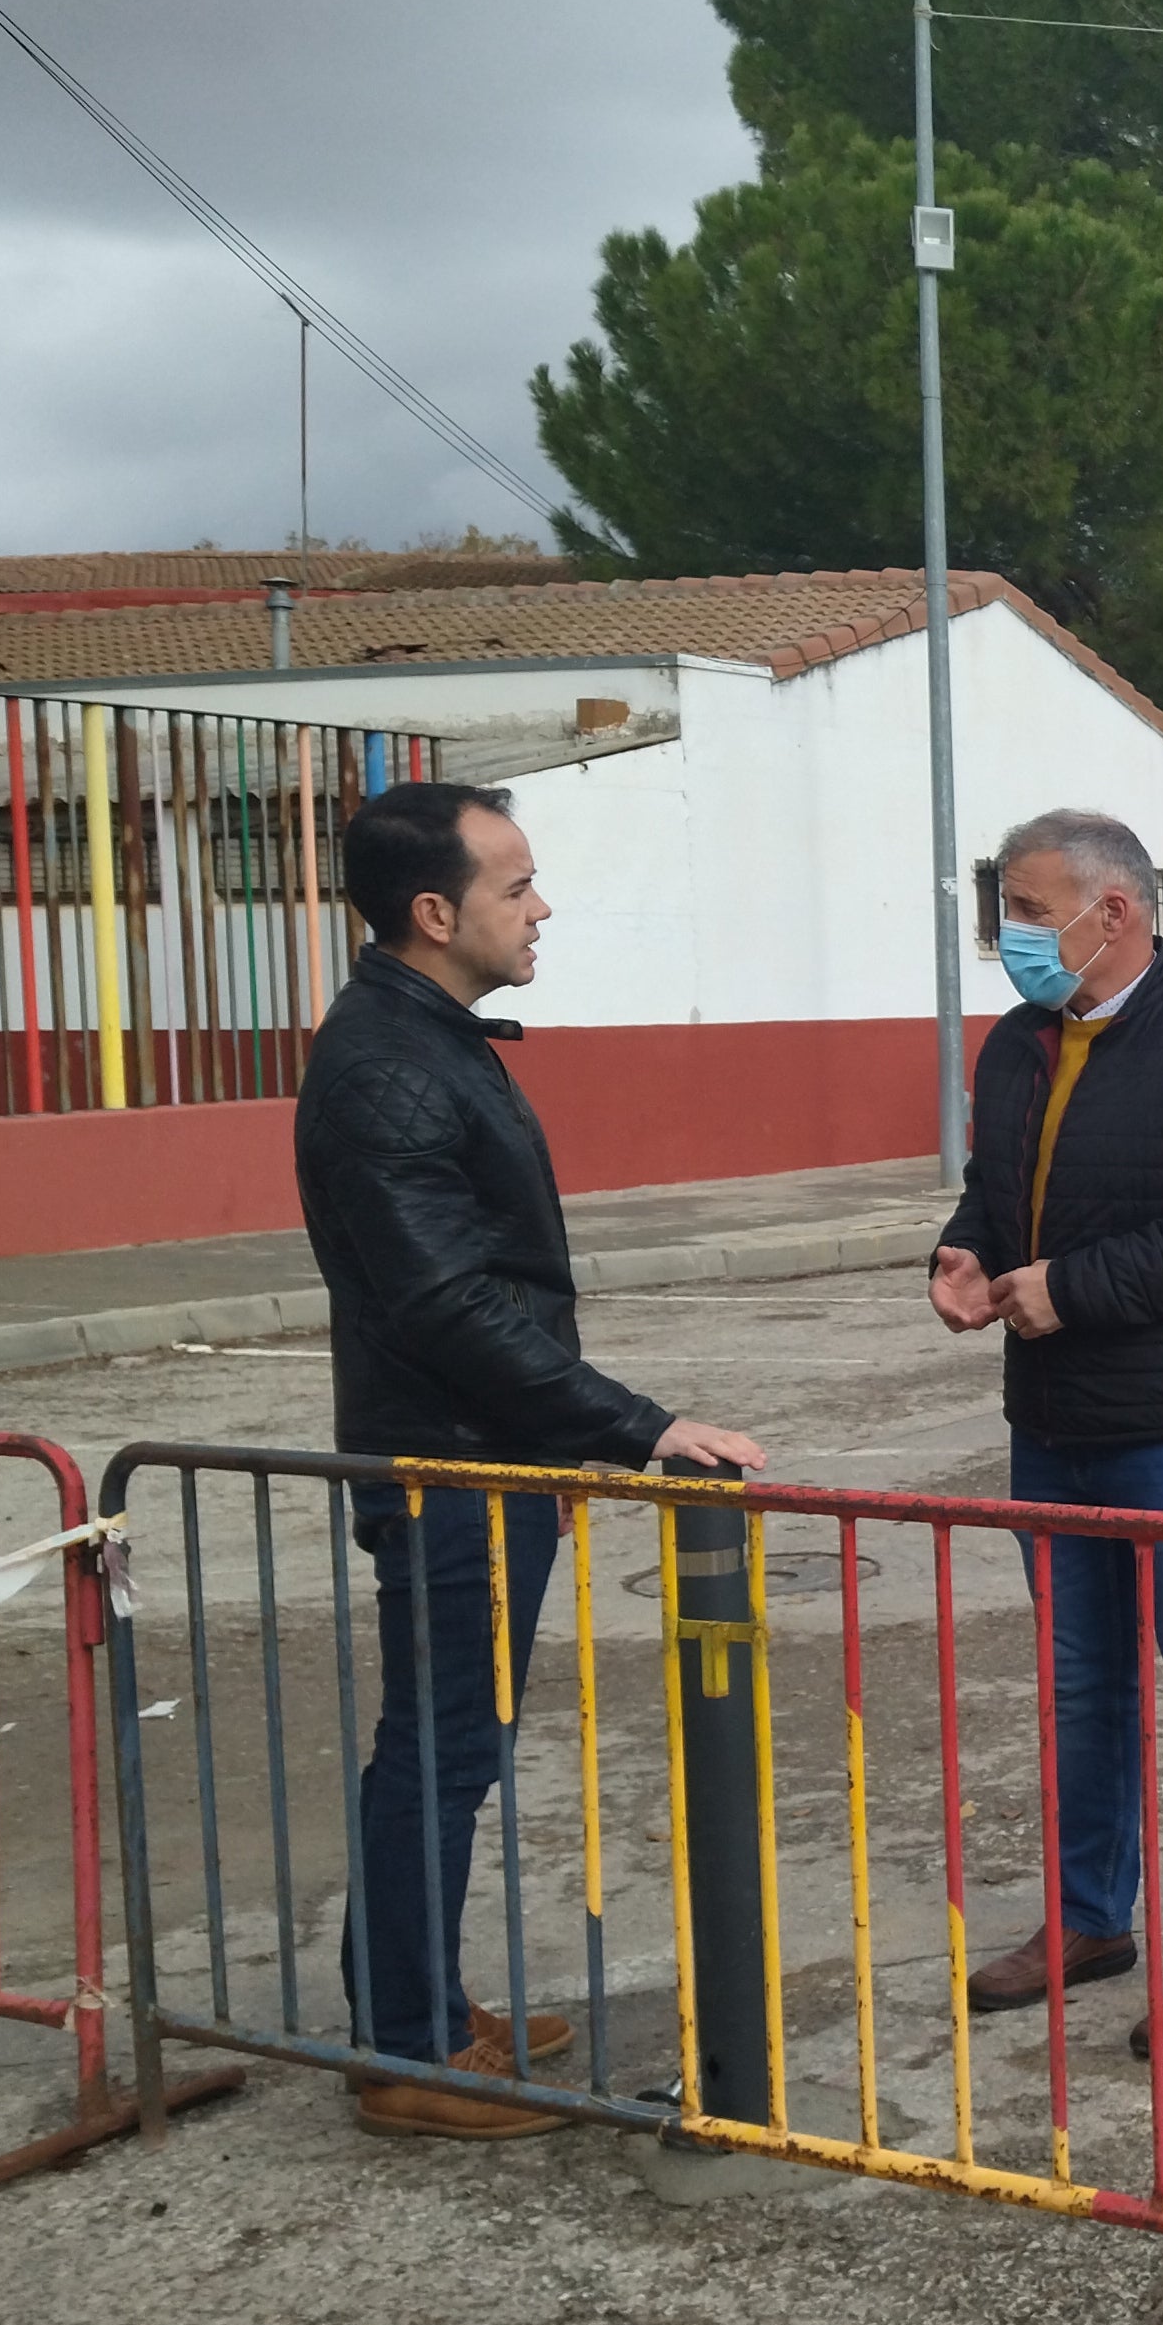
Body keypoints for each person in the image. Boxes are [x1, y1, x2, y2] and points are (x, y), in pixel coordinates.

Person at [296, 780, 766, 2141]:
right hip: (453, 1466)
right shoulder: (391, 1063)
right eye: (515, 885)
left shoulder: (429, 1037)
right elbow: (446, 1303)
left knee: (450, 1747)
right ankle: (409, 2051)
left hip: (486, 1457)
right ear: (432, 912)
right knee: (439, 1751)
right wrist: (636, 1426)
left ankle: (420, 2015)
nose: (541, 904)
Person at [930, 808, 1163, 2061]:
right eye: (1008, 911)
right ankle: (1091, 1919)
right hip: (1053, 1422)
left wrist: (1071, 1288)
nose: (1011, 937)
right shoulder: (1019, 1047)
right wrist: (964, 1249)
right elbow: (998, 1184)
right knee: (1081, 1688)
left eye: (1031, 914)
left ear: (1116, 914)